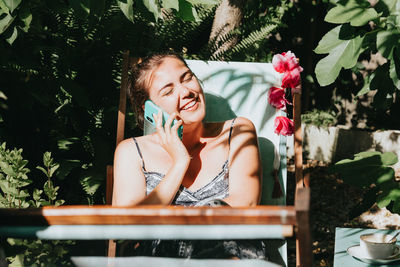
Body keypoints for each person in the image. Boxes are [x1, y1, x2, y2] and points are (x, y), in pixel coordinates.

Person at [112, 51, 266, 259]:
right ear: (149, 108)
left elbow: (246, 203)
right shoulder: (132, 152)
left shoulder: (238, 131)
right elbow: (125, 228)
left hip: (232, 253)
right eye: (168, 91)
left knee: (218, 211)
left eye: (187, 78)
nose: (186, 91)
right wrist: (180, 162)